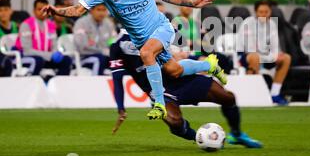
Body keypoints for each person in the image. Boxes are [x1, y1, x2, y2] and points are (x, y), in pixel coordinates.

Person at [41, 0, 227, 121]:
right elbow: (78, 10)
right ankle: (209, 64)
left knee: (147, 54)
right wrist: (56, 10)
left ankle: (159, 104)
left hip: (161, 28)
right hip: (141, 40)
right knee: (174, 70)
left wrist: (192, 3)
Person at [109, 30, 262, 148]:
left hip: (181, 78)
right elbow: (117, 79)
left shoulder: (152, 27)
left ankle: (236, 134)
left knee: (227, 97)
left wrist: (182, 50)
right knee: (175, 122)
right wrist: (121, 109)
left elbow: (177, 36)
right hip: (160, 92)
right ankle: (201, 138)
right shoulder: (118, 46)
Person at [236, 0, 291, 105]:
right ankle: (253, 94)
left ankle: (274, 94)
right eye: (261, 12)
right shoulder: (248, 23)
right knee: (255, 57)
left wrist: (277, 55)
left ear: (270, 12)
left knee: (286, 58)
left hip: (265, 56)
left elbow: (275, 46)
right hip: (245, 56)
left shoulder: (272, 24)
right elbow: (250, 49)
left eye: (266, 12)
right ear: (256, 12)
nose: (263, 14)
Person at [15, 0, 72, 77]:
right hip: (26, 57)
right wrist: (49, 55)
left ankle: (55, 85)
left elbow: (54, 46)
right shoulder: (26, 25)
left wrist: (56, 53)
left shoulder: (51, 25)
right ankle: (33, 87)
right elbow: (27, 51)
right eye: (39, 9)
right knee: (38, 61)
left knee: (66, 60)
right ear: (34, 11)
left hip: (45, 58)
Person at [73, 4, 117, 75]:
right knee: (98, 59)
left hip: (105, 56)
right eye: (98, 10)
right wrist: (102, 51)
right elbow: (81, 46)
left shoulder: (109, 24)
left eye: (104, 10)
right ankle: (97, 85)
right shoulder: (81, 23)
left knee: (119, 61)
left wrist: (112, 49)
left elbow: (113, 41)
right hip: (84, 57)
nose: (101, 13)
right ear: (91, 10)